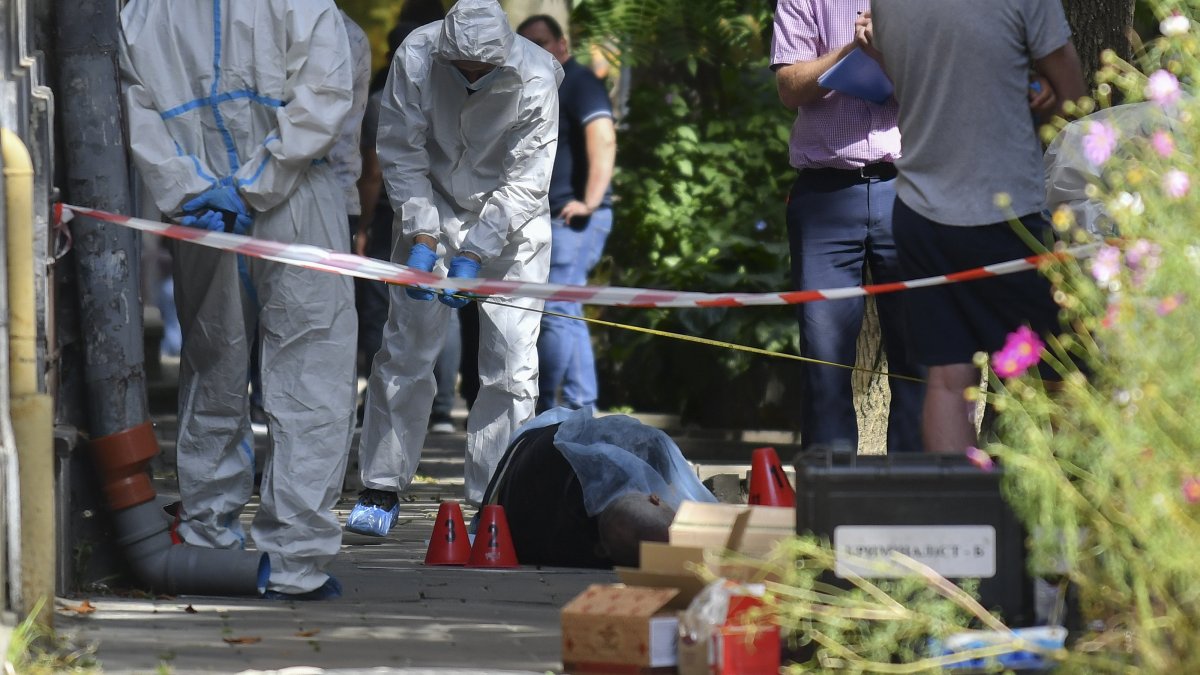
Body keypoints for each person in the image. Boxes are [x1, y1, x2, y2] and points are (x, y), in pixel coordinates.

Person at [119, 0, 357, 599]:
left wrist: (191, 189)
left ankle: (207, 544)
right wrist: (257, 184)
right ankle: (296, 564)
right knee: (311, 373)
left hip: (205, 216)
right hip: (296, 205)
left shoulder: (144, 13)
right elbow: (324, 96)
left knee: (213, 367)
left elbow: (134, 113)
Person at [347, 0, 563, 536]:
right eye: (462, 70)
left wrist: (476, 251)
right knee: (404, 351)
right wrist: (422, 230)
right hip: (433, 208)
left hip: (512, 226)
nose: (471, 79)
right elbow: (400, 148)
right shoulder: (417, 55)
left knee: (511, 363)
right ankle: (381, 485)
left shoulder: (537, 74)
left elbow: (529, 178)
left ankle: (497, 497)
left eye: (481, 72)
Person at [868, 0, 1087, 453]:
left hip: (919, 211)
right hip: (1007, 212)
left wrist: (1016, 83)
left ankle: (957, 519)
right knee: (1062, 375)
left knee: (948, 381)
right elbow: (1073, 94)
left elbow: (927, 80)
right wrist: (1035, 89)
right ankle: (1073, 515)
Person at [770, 1, 925, 455]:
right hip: (825, 195)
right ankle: (829, 503)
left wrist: (888, 53)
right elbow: (788, 87)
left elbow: (943, 84)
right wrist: (849, 52)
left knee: (917, 354)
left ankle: (911, 495)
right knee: (824, 358)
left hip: (909, 189)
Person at [516, 15, 618, 414]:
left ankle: (547, 408)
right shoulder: (532, 88)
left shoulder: (578, 82)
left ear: (562, 45)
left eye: (541, 42)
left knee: (558, 308)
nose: (534, 51)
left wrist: (590, 202)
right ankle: (580, 406)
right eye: (525, 44)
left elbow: (604, 138)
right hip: (549, 218)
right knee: (565, 307)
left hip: (574, 220)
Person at [481, 407, 717, 568]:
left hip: (529, 454)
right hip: (525, 463)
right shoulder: (561, 552)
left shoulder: (552, 543)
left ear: (655, 498)